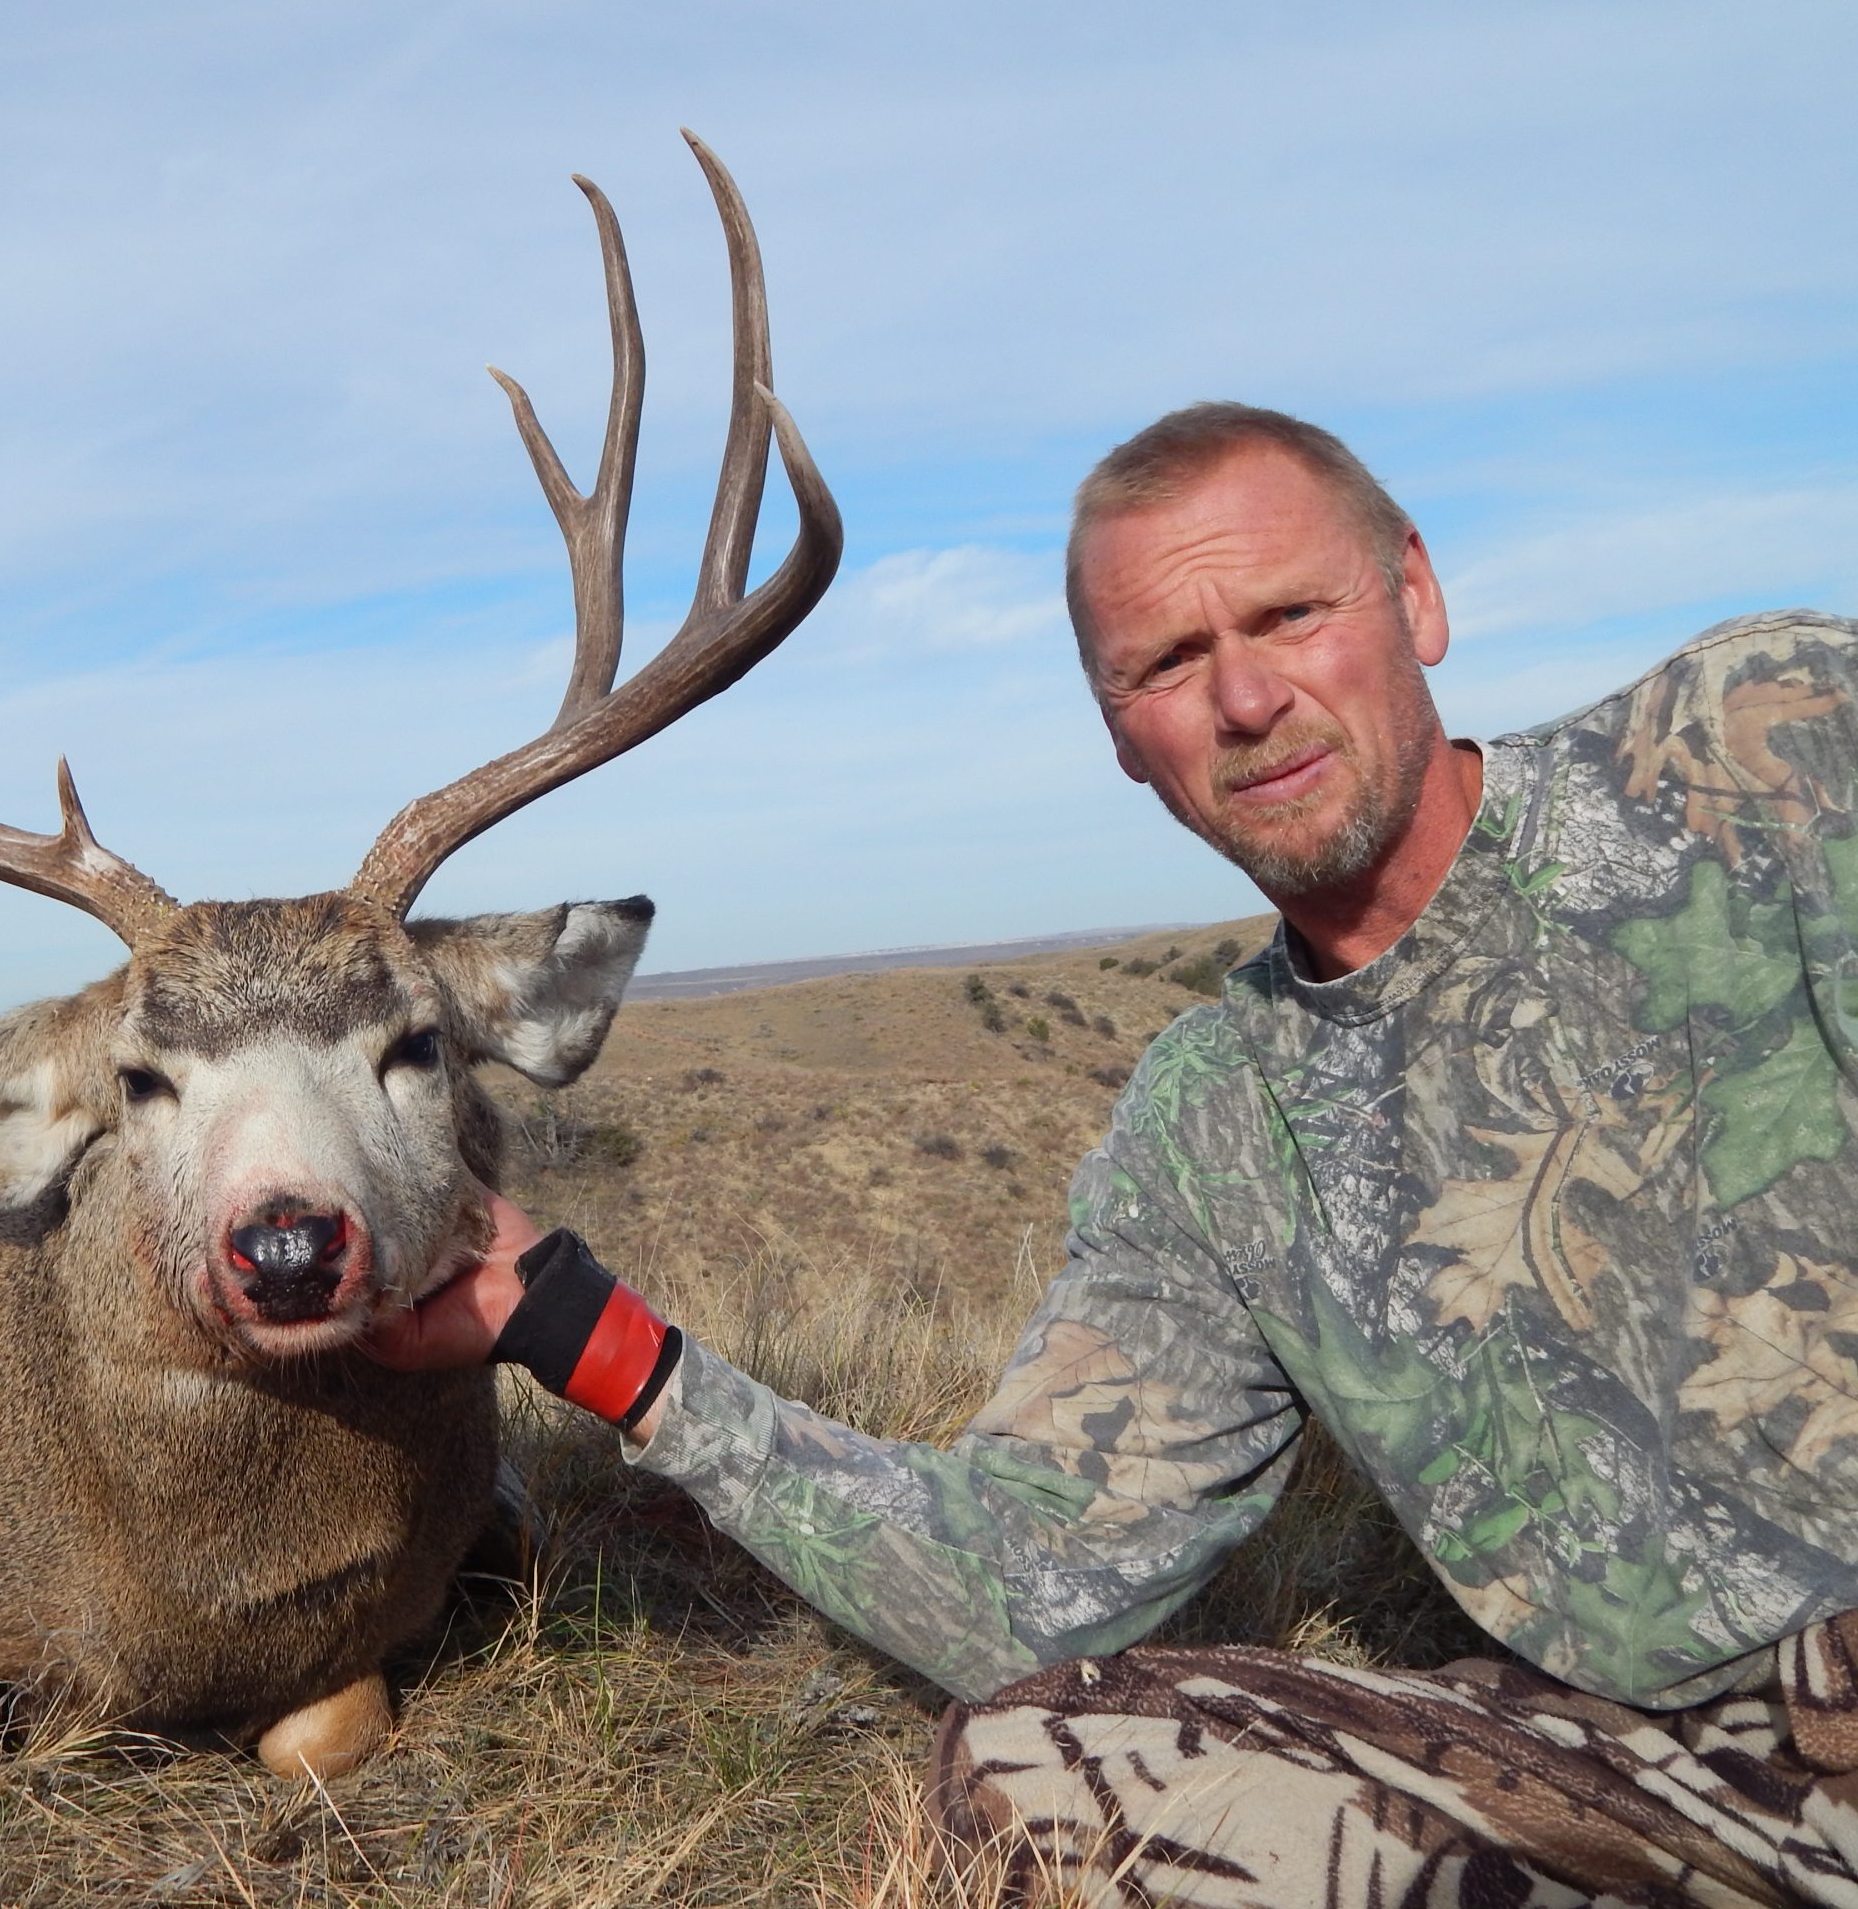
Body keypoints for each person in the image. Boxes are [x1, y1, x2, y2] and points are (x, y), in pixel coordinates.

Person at [369, 402, 1858, 1904]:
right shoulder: (1216, 1127)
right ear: (1121, 738)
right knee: (1036, 1776)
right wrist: (577, 1326)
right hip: (1678, 1773)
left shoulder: (1762, 746)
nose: (1249, 699)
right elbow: (1027, 1584)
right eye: (1166, 666)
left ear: (1415, 593)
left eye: (1292, 614)